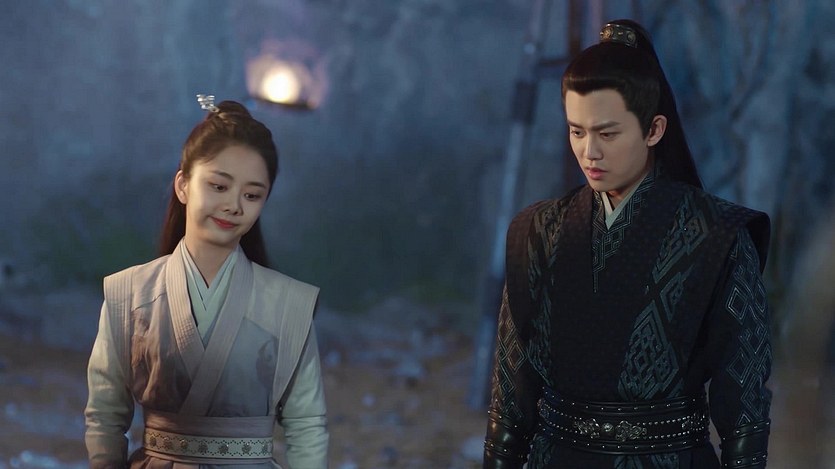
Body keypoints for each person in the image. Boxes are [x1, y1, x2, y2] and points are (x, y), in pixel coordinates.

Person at [483, 20, 772, 468]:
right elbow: (511, 397)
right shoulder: (537, 231)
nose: (589, 152)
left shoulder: (719, 235)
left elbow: (745, 413)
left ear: (654, 130)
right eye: (577, 131)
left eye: (607, 133)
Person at [85, 95, 329, 468]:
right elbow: (105, 414)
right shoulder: (128, 293)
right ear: (183, 185)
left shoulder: (289, 303)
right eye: (219, 186)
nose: (234, 205)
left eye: (252, 195)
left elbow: (306, 423)